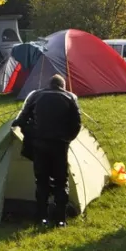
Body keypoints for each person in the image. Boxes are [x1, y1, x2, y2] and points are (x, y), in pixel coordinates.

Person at [11, 74, 81, 227]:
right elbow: (76, 124)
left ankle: (42, 217)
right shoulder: (70, 97)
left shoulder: (35, 95)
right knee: (61, 182)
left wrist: (31, 134)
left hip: (39, 145)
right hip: (60, 146)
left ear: (48, 84)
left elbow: (21, 120)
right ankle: (60, 219)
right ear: (63, 86)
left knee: (41, 181)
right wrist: (67, 139)